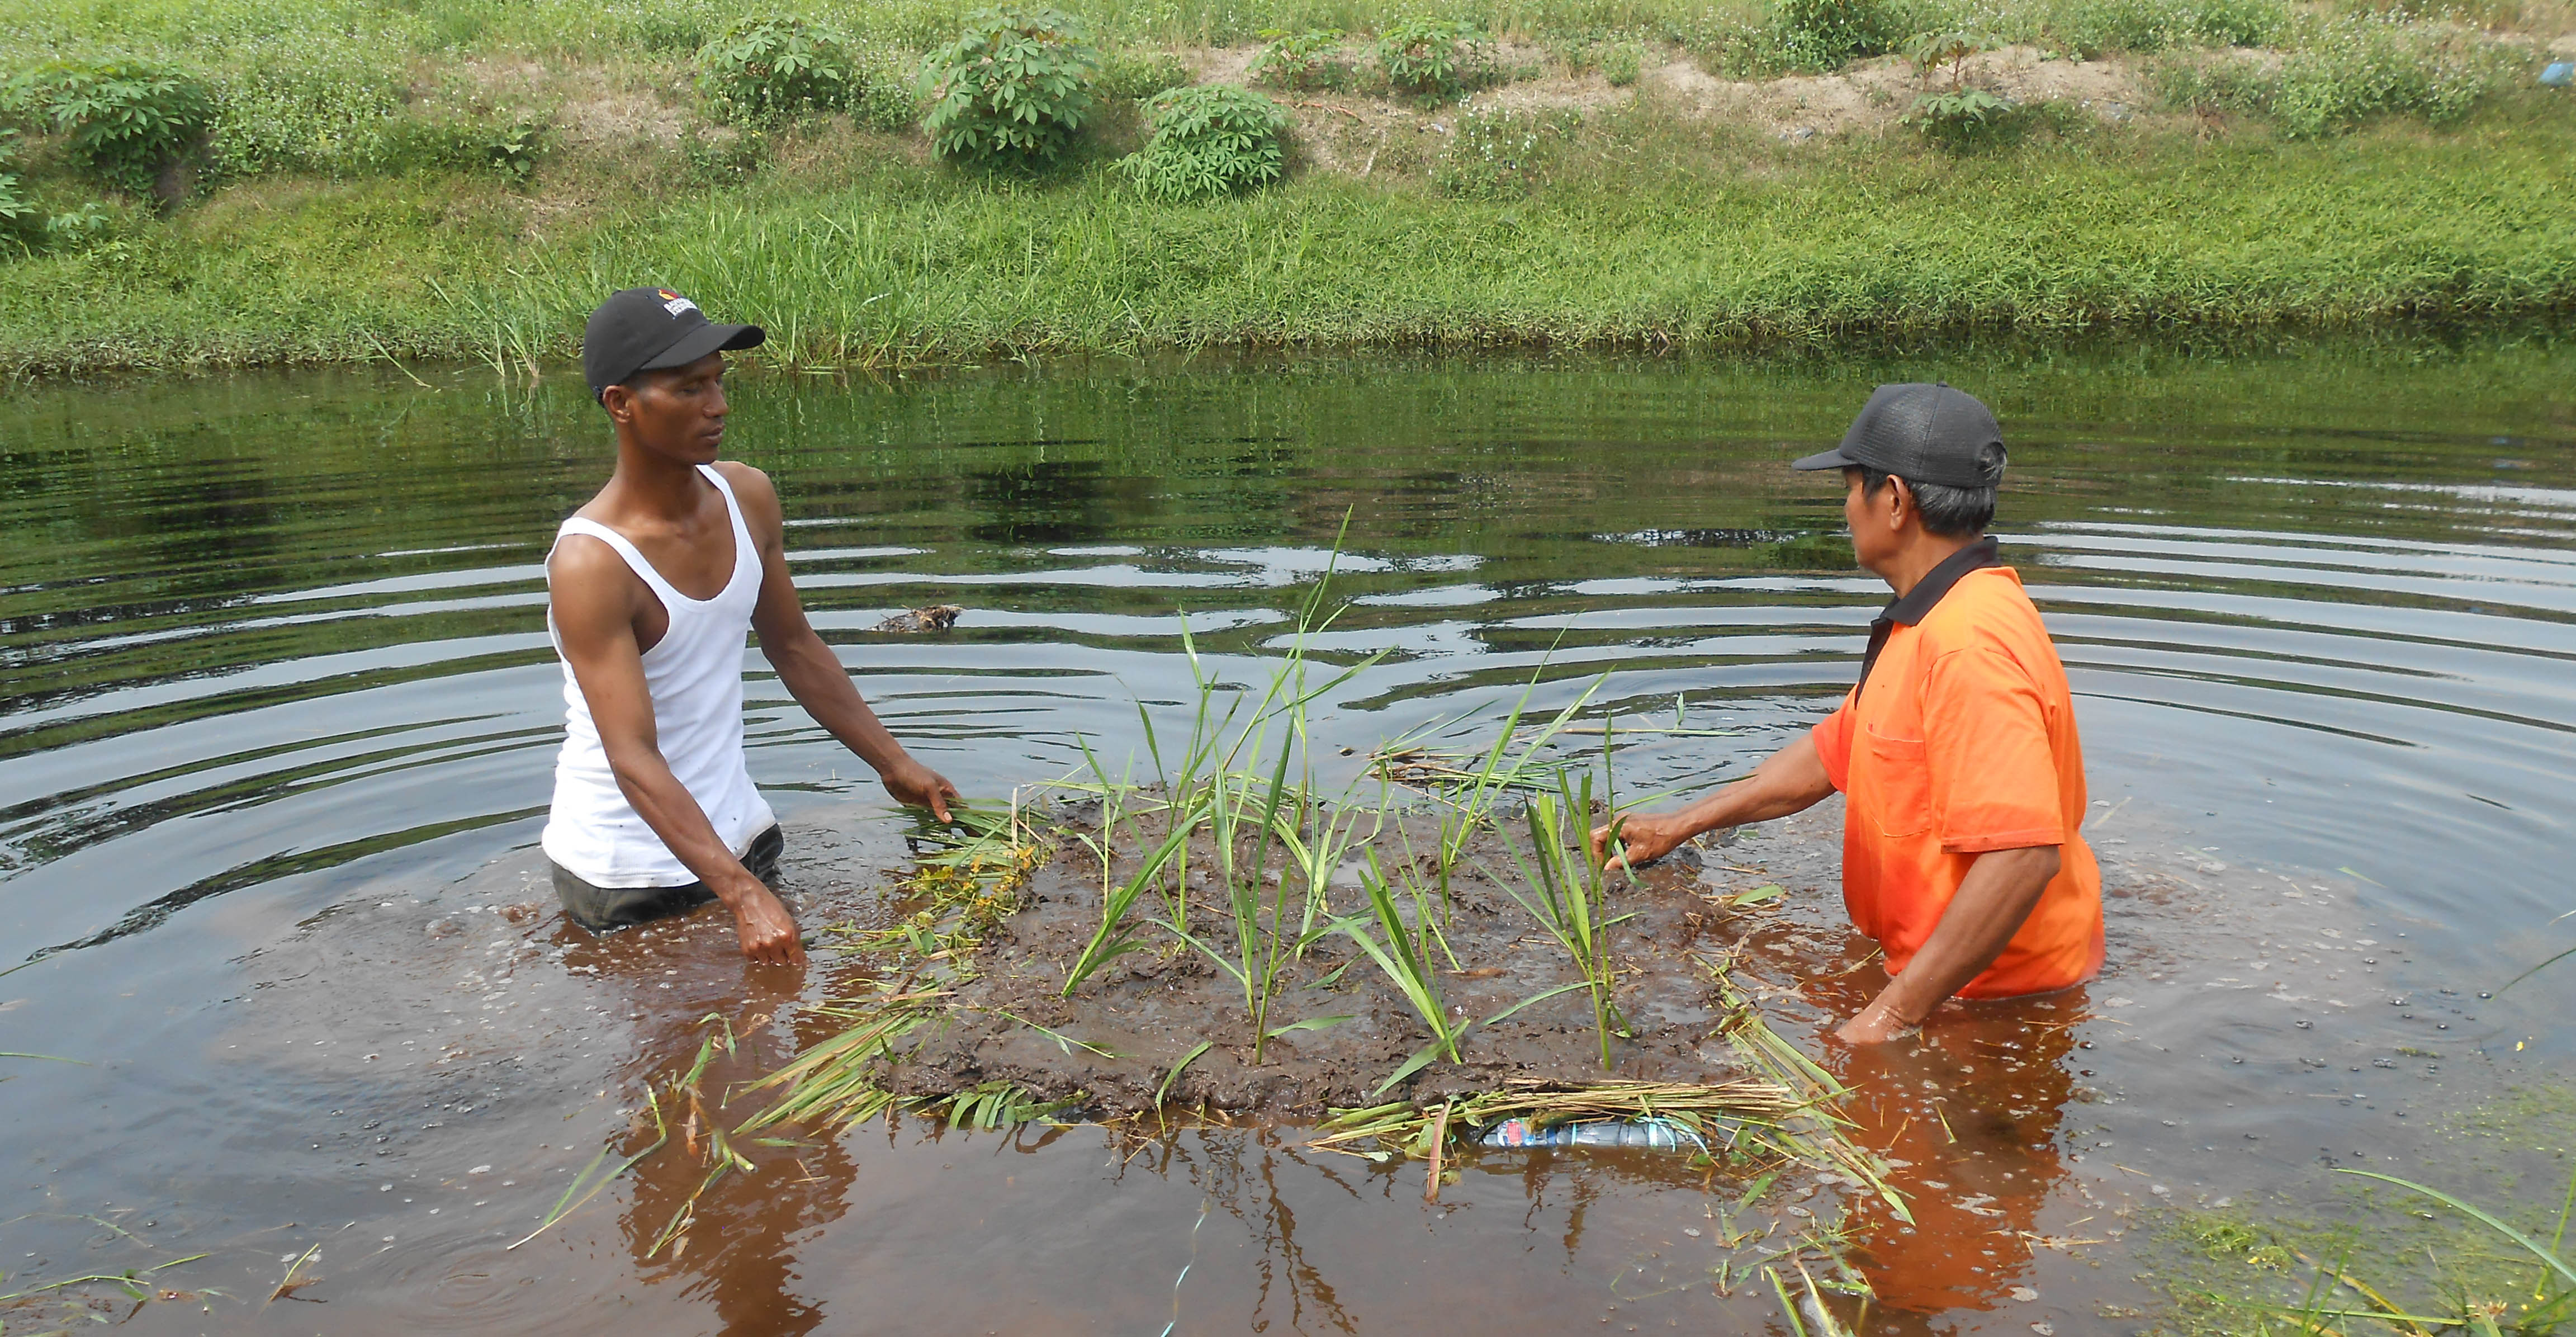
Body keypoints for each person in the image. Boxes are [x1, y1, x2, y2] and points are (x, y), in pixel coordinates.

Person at [1593, 382, 2103, 1042]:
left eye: (1850, 486)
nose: (1845, 507)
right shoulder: (1930, 618)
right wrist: (1680, 825)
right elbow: (1827, 759)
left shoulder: (1970, 641)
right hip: (1944, 986)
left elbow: (2023, 857)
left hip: (1999, 1006)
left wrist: (1888, 1018)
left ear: (1894, 500)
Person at [543, 286, 958, 963]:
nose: (719, 406)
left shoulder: (748, 497)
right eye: (689, 389)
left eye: (718, 381)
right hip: (626, 873)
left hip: (743, 836)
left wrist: (895, 764)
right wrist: (741, 897)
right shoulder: (593, 562)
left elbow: (793, 646)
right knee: (679, 1060)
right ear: (621, 404)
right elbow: (632, 757)